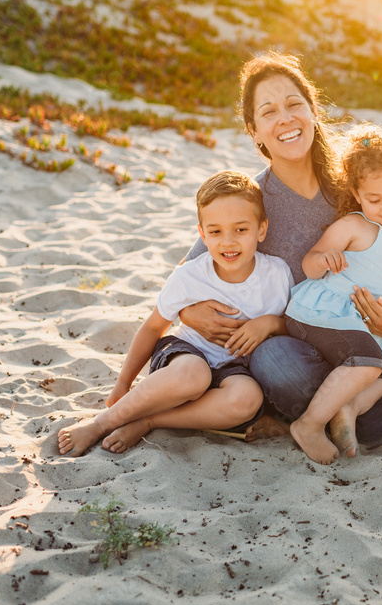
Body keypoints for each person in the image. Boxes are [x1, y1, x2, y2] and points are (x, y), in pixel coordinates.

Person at [179, 52, 382, 457]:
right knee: (275, 362)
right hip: (301, 339)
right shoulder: (250, 199)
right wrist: (191, 312)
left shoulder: (356, 182)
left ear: (313, 111)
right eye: (269, 112)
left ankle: (337, 420)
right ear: (255, 131)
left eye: (294, 104)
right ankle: (355, 417)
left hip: (371, 337)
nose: (286, 119)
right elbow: (190, 275)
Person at [56, 171, 293, 457]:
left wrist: (269, 324)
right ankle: (99, 425)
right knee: (195, 375)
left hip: (234, 368)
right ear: (202, 234)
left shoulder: (278, 274)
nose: (228, 242)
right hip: (185, 357)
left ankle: (149, 421)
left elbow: (292, 328)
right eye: (216, 231)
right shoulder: (190, 276)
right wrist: (123, 383)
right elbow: (153, 327)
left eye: (241, 230)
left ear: (262, 230)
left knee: (247, 399)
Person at [284, 125, 382, 464]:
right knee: (367, 362)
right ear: (356, 192)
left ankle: (346, 409)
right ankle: (308, 424)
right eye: (374, 199)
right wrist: (324, 259)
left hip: (361, 325)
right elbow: (309, 264)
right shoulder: (354, 226)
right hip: (322, 313)